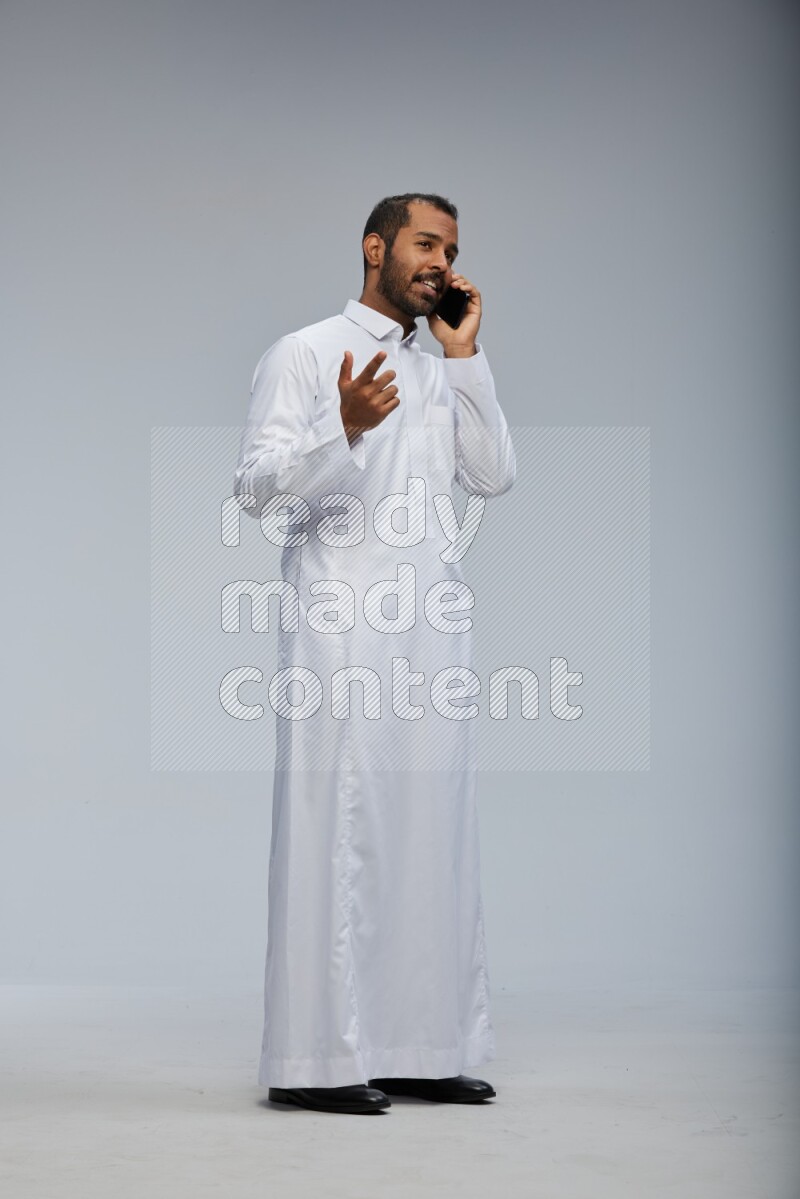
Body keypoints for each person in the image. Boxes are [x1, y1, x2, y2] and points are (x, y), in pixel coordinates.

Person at [233, 193, 516, 1114]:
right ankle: (313, 1063)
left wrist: (466, 356)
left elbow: (493, 475)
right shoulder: (308, 353)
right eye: (425, 243)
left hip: (431, 635)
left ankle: (420, 1046)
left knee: (431, 834)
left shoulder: (441, 373)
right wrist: (341, 426)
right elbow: (257, 488)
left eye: (452, 250)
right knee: (336, 832)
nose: (440, 261)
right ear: (375, 247)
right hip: (341, 628)